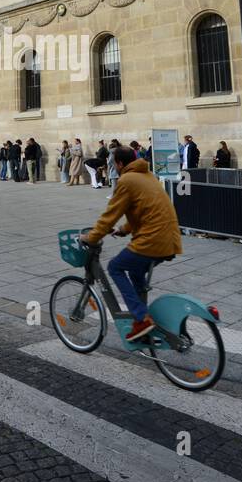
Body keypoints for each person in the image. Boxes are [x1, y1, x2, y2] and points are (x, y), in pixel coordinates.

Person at [81, 146, 183, 343]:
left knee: (115, 267)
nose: (114, 167)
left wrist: (92, 237)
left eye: (114, 164)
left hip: (152, 240)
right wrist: (124, 230)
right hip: (169, 239)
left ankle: (141, 318)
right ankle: (144, 322)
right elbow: (144, 210)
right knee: (136, 271)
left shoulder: (127, 180)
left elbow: (109, 216)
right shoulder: (147, 175)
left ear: (119, 163)